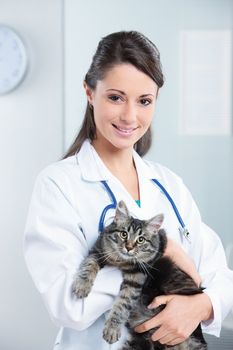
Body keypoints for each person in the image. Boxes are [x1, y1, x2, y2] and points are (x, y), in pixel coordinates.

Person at [24, 30, 233, 350]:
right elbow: (67, 304)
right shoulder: (59, 184)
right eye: (115, 97)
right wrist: (163, 251)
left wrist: (201, 306)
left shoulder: (169, 185)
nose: (130, 116)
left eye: (144, 101)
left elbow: (219, 275)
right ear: (89, 92)